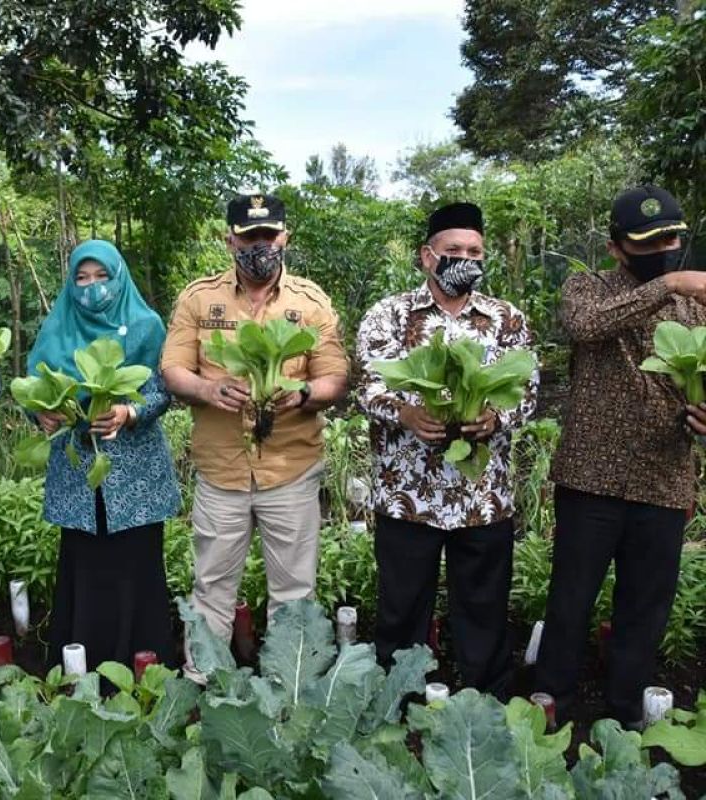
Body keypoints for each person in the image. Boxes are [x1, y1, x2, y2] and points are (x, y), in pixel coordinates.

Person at [536, 185, 706, 727]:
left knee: (645, 608)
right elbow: (587, 327)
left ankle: (625, 710)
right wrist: (670, 283)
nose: (664, 247)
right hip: (591, 480)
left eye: (672, 238)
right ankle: (554, 703)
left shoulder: (697, 308)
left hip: (665, 478)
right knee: (570, 600)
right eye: (649, 241)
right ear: (616, 247)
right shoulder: (587, 288)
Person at [356, 202, 537, 699]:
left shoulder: (506, 319)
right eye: (453, 249)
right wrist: (407, 414)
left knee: (483, 608)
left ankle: (483, 703)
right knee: (401, 608)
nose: (465, 258)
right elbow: (369, 387)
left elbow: (527, 392)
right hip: (407, 495)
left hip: (482, 498)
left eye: (475, 251)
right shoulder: (389, 315)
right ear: (427, 257)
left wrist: (493, 417)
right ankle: (397, 702)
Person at [161, 194, 348, 659]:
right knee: (211, 587)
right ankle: (204, 684)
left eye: (268, 235)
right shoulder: (198, 298)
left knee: (294, 591)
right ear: (230, 241)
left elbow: (335, 376)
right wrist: (208, 391)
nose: (259, 245)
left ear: (284, 237)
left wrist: (303, 394)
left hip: (291, 468)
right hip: (221, 470)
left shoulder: (310, 303)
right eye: (248, 237)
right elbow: (173, 369)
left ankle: (290, 687)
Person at [30, 240, 180, 670]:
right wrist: (42, 412)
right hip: (80, 468)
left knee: (136, 566)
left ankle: (144, 666)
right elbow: (35, 389)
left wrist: (129, 412)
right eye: (82, 278)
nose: (92, 287)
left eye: (101, 277)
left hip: (135, 475)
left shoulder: (146, 325)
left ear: (119, 278)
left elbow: (161, 390)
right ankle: (82, 667)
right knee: (85, 567)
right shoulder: (57, 327)